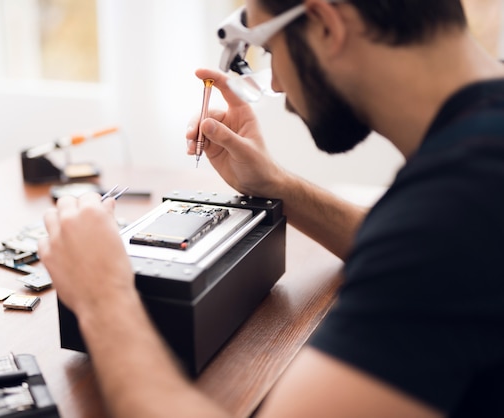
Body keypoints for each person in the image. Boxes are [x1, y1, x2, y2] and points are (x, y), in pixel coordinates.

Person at [37, 0, 504, 416]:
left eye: (271, 50)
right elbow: (417, 258)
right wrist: (276, 186)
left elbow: (430, 248)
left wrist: (103, 299)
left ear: (324, 23)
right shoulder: (478, 156)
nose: (277, 84)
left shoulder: (456, 208)